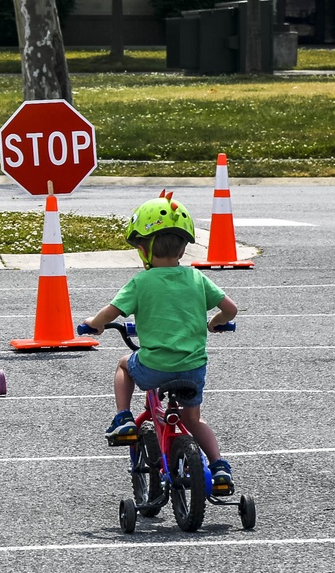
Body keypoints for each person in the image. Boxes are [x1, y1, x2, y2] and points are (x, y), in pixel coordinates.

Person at [83, 193, 239, 488]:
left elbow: (110, 312)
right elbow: (230, 309)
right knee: (193, 419)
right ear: (183, 246)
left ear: (142, 249)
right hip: (193, 369)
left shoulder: (141, 282)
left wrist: (95, 325)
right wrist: (215, 323)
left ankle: (124, 418)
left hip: (155, 366)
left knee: (124, 365)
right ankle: (219, 467)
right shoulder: (196, 278)